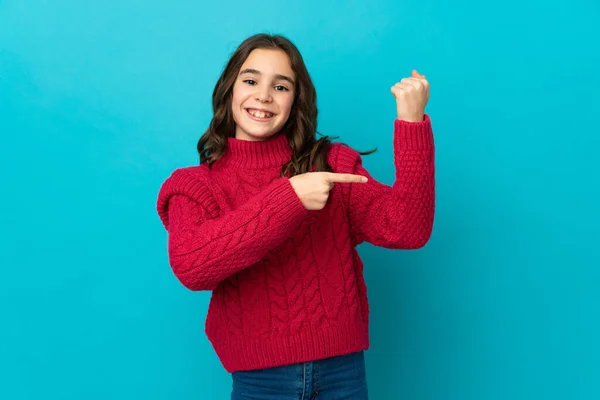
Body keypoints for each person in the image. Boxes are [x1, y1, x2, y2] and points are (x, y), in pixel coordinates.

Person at [156, 33, 435, 400]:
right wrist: (288, 198)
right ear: (229, 90)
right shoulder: (194, 185)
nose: (264, 96)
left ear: (296, 100)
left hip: (344, 372)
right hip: (260, 381)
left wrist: (412, 123)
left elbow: (408, 229)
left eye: (281, 86)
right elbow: (192, 266)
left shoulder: (331, 164)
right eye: (251, 80)